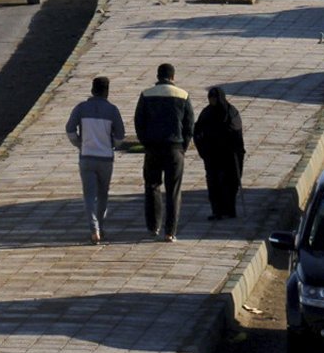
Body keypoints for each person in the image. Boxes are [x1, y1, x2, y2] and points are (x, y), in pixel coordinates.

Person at [134, 64, 196, 242]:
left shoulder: (146, 94)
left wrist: (146, 143)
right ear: (173, 77)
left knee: (152, 186)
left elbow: (139, 122)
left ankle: (153, 227)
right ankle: (170, 231)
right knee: (173, 190)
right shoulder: (183, 95)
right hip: (174, 148)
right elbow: (189, 125)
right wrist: (183, 147)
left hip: (153, 148)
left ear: (158, 76)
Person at [65, 76, 127, 244]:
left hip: (87, 157)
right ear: (107, 92)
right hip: (106, 158)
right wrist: (111, 145)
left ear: (92, 90)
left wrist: (79, 144)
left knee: (89, 195)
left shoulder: (81, 108)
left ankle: (94, 229)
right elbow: (121, 135)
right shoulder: (112, 110)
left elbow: (70, 129)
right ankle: (100, 224)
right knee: (102, 194)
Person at [193, 87, 245, 221]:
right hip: (212, 154)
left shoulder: (231, 112)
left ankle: (230, 209)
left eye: (215, 98)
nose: (212, 101)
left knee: (230, 183)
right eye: (210, 99)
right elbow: (198, 131)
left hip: (229, 154)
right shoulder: (206, 113)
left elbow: (236, 130)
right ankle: (217, 211)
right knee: (213, 183)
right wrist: (203, 150)